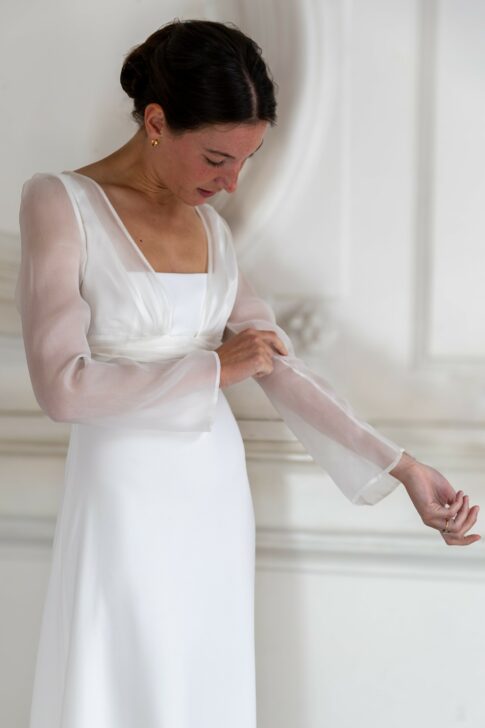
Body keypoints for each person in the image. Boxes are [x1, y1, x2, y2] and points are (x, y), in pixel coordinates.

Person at [16, 17, 480, 728]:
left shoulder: (212, 229)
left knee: (206, 677)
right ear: (156, 122)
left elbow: (278, 366)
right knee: (126, 672)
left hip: (214, 491)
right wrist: (212, 366)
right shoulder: (59, 201)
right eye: (214, 158)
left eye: (246, 160)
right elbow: (62, 387)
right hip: (122, 492)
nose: (230, 182)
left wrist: (403, 466)